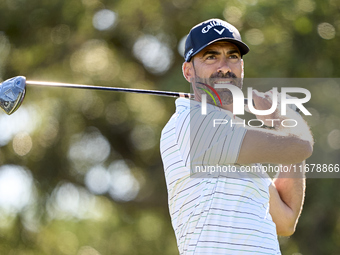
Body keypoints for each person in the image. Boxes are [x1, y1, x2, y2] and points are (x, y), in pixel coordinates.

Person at [160, 18, 314, 254]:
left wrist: (284, 124)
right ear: (188, 71)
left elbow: (285, 220)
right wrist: (281, 117)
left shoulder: (234, 139)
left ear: (242, 67)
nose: (224, 66)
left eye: (232, 56)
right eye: (211, 57)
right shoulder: (194, 124)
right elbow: (300, 145)